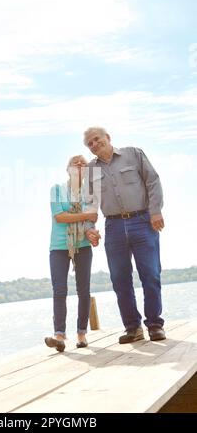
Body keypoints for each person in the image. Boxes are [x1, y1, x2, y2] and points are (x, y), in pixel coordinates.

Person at [83, 127, 166, 343]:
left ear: (108, 138)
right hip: (114, 226)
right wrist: (89, 227)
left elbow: (153, 181)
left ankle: (155, 324)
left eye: (96, 139)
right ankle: (133, 328)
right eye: (89, 143)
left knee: (151, 274)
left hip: (143, 221)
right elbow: (89, 202)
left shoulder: (133, 154)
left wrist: (155, 211)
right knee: (120, 279)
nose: (94, 144)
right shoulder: (91, 171)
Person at [45, 155, 101, 352]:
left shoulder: (90, 194)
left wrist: (92, 233)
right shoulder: (57, 189)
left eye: (83, 163)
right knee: (59, 291)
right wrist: (86, 215)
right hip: (59, 247)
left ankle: (81, 334)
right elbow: (59, 216)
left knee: (83, 290)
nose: (79, 165)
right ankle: (59, 335)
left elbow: (91, 221)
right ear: (67, 169)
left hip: (83, 246)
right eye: (74, 162)